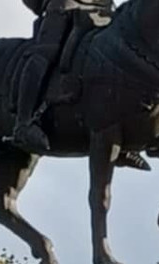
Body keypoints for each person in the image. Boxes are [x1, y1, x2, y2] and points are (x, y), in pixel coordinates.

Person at [12, 0, 149, 170]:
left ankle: (123, 135)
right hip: (67, 4)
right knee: (46, 52)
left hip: (103, 8)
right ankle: (23, 123)